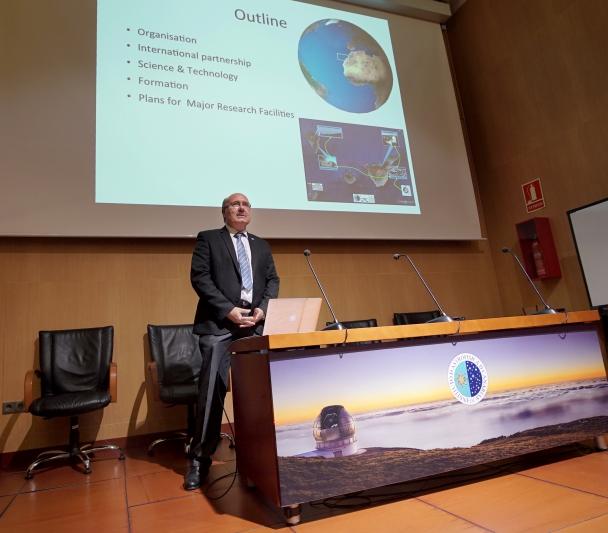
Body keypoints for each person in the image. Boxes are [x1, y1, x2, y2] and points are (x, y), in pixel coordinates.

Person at [185, 192, 280, 490]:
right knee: (212, 390)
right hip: (219, 326)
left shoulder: (261, 245)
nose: (242, 208)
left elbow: (273, 280)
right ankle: (199, 460)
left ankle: (258, 457)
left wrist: (262, 308)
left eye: (246, 204)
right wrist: (228, 310)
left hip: (254, 326)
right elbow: (200, 278)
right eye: (235, 204)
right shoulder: (209, 239)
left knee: (260, 392)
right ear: (224, 212)